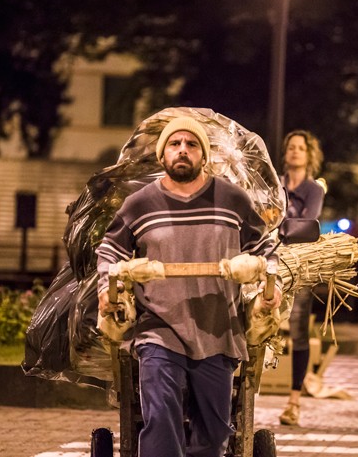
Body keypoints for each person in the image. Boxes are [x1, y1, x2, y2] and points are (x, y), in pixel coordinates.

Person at [96, 116, 282, 457]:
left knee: (213, 435)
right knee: (161, 416)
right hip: (158, 327)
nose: (183, 150)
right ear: (162, 154)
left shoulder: (232, 200)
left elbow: (264, 249)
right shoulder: (140, 203)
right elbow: (110, 250)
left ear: (203, 155)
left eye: (191, 144)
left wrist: (274, 286)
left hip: (218, 327)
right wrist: (107, 289)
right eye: (175, 144)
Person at [278, 129, 326, 426]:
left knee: (297, 330)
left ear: (309, 155)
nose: (295, 151)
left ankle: (294, 401)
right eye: (291, 147)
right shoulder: (274, 185)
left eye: (300, 148)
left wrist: (279, 226)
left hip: (300, 264)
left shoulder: (313, 190)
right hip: (269, 261)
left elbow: (307, 226)